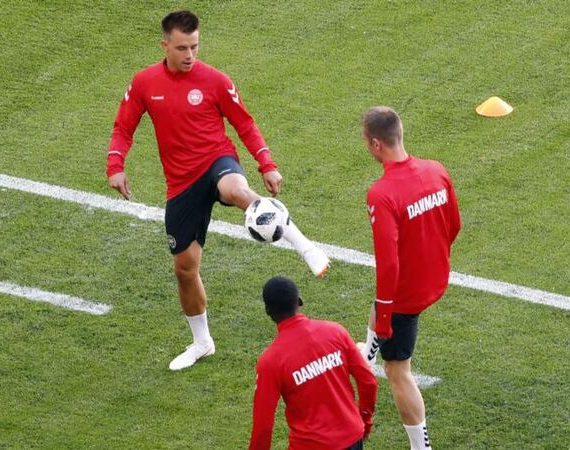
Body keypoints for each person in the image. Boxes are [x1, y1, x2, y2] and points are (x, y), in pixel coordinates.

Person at [106, 10, 330, 371]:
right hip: (181, 183)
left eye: (195, 46)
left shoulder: (215, 80)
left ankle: (305, 246)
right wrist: (115, 166)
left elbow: (244, 123)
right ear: (165, 45)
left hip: (217, 161)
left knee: (238, 190)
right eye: (182, 48)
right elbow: (123, 127)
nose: (190, 54)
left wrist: (266, 163)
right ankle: (202, 343)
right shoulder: (145, 82)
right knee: (185, 268)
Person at [358, 107, 461, 450]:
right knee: (379, 306)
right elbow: (454, 225)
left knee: (398, 371)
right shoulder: (436, 170)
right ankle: (367, 352)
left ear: (376, 144)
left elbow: (388, 265)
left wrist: (386, 316)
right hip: (437, 275)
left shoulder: (382, 193)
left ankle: (421, 446)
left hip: (406, 294)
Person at [250, 276, 377, 450]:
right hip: (352, 438)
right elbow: (368, 381)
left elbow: (263, 426)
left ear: (268, 311)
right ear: (299, 301)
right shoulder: (336, 331)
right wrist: (365, 421)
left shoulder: (270, 361)